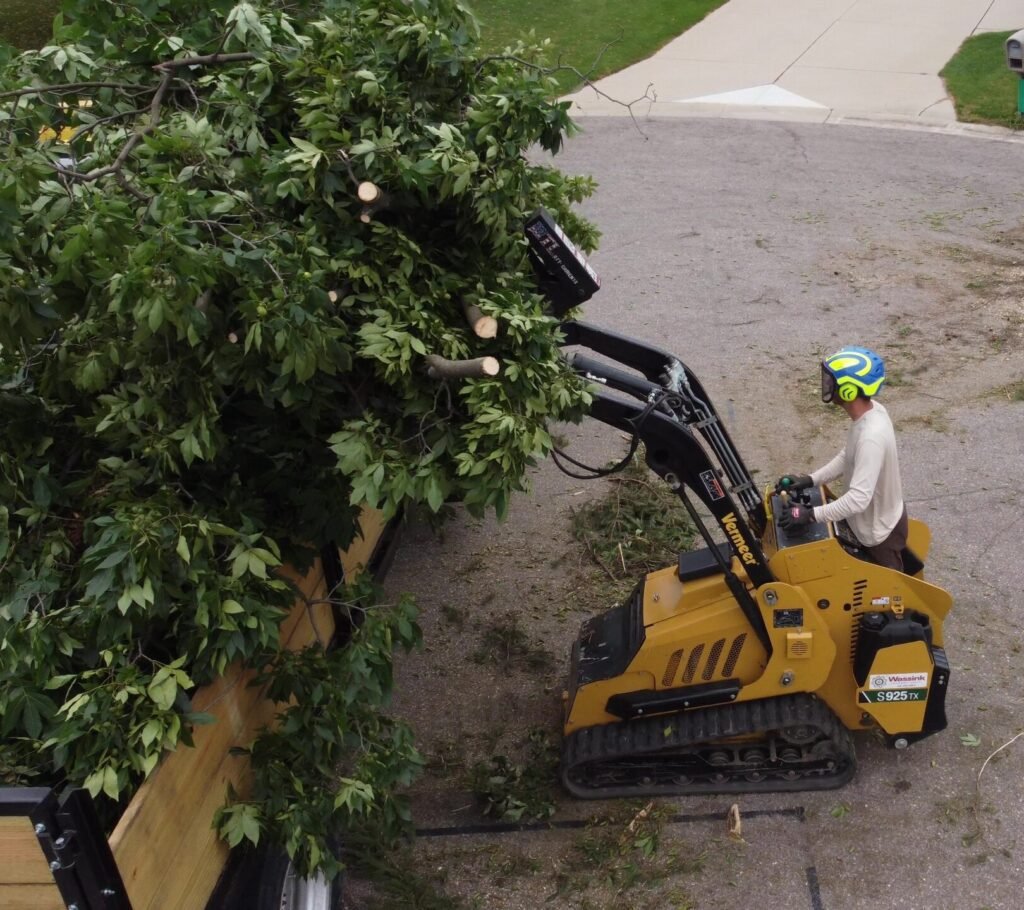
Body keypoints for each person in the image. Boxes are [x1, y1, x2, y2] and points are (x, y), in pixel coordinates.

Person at [775, 346, 909, 571]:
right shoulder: (873, 411)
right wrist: (810, 480)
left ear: (848, 391)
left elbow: (858, 499)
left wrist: (810, 515)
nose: (827, 385)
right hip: (865, 521)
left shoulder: (871, 436)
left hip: (878, 532)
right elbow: (848, 455)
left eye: (832, 381)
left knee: (891, 594)